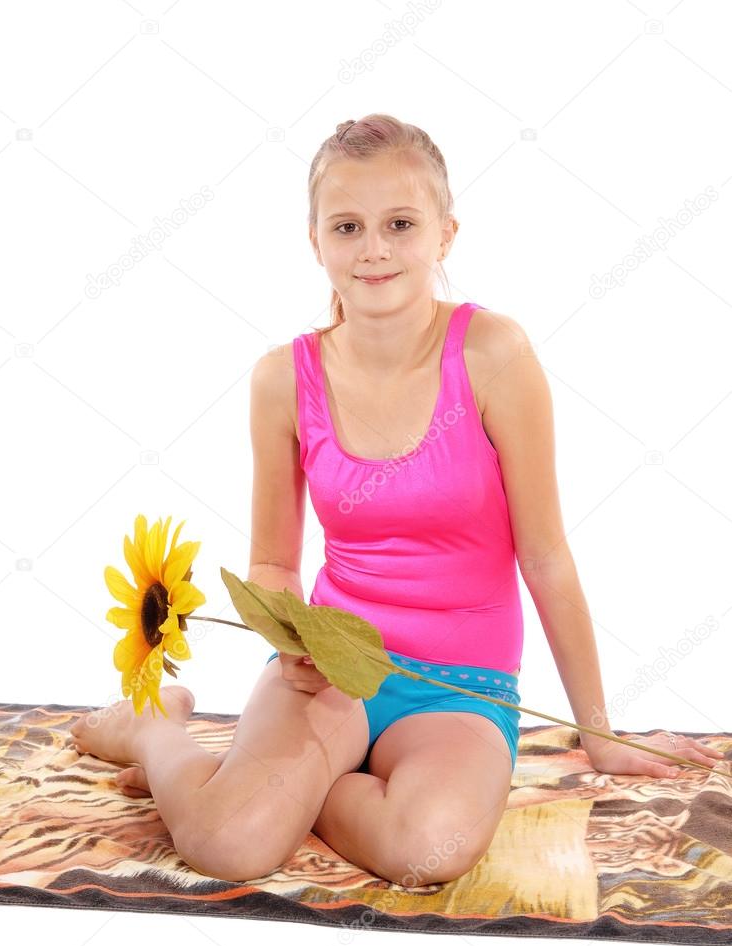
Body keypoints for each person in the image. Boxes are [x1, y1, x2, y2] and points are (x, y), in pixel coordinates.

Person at [70, 113, 724, 886]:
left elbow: (544, 556)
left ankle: (293, 793)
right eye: (346, 226)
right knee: (226, 848)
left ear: (444, 234)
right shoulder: (282, 379)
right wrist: (293, 646)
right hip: (329, 676)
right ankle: (154, 732)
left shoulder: (493, 356)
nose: (373, 248)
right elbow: (273, 561)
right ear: (314, 241)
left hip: (460, 686)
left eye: (399, 223)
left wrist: (598, 732)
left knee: (425, 853)